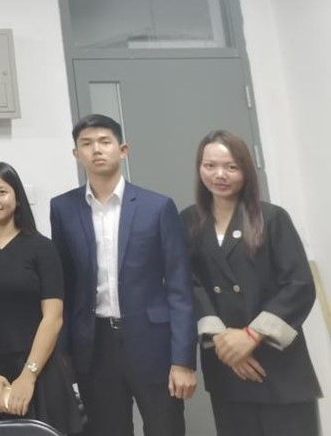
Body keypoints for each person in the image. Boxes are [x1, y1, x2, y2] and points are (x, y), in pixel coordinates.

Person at [50, 114, 196, 436]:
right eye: (86, 144)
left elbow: (180, 287)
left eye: (105, 141)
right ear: (76, 154)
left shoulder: (157, 207)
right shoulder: (63, 208)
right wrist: (64, 352)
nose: (96, 150)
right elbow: (65, 286)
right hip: (95, 345)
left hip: (152, 341)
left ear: (123, 150)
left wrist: (183, 359)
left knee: (166, 428)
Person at [180, 130, 321, 436]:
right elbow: (188, 284)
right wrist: (223, 340)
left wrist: (250, 336)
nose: (219, 175)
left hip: (279, 365)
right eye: (210, 165)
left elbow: (298, 285)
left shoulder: (272, 217)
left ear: (246, 169)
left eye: (231, 167)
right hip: (227, 366)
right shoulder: (189, 221)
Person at [0, 161, 83, 434]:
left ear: (17, 197)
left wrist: (28, 377)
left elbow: (53, 318)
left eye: (1, 191)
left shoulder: (42, 248)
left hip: (39, 368)